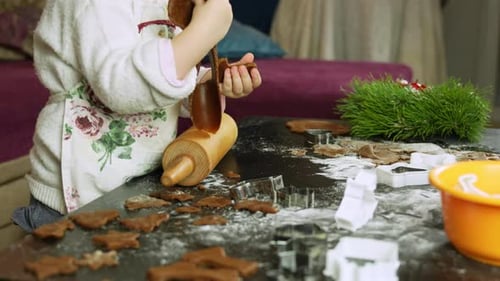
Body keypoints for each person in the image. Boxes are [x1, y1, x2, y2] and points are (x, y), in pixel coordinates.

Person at [11, 0, 262, 232]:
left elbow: (160, 77)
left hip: (134, 185)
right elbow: (122, 87)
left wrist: (207, 84)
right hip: (76, 197)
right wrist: (205, 31)